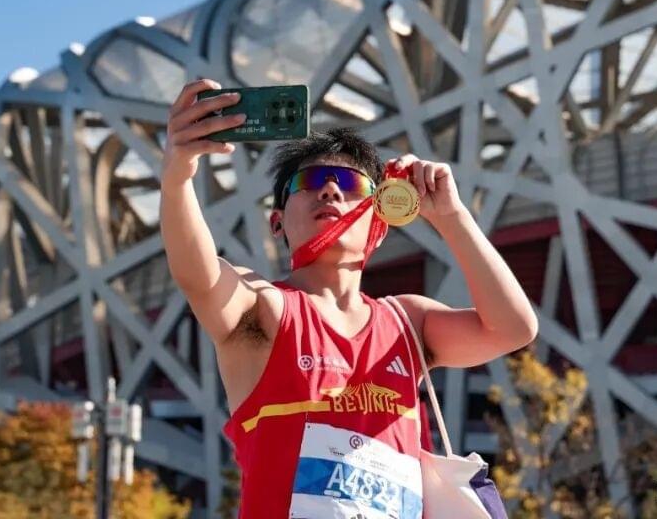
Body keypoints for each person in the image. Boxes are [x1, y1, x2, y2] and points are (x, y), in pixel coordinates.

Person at [161, 78, 538, 518]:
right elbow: (200, 277)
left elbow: (513, 329)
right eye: (310, 180)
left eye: (350, 183)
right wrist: (178, 175)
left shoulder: (407, 323)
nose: (331, 191)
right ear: (277, 223)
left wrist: (452, 217)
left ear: (380, 221)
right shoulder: (266, 309)